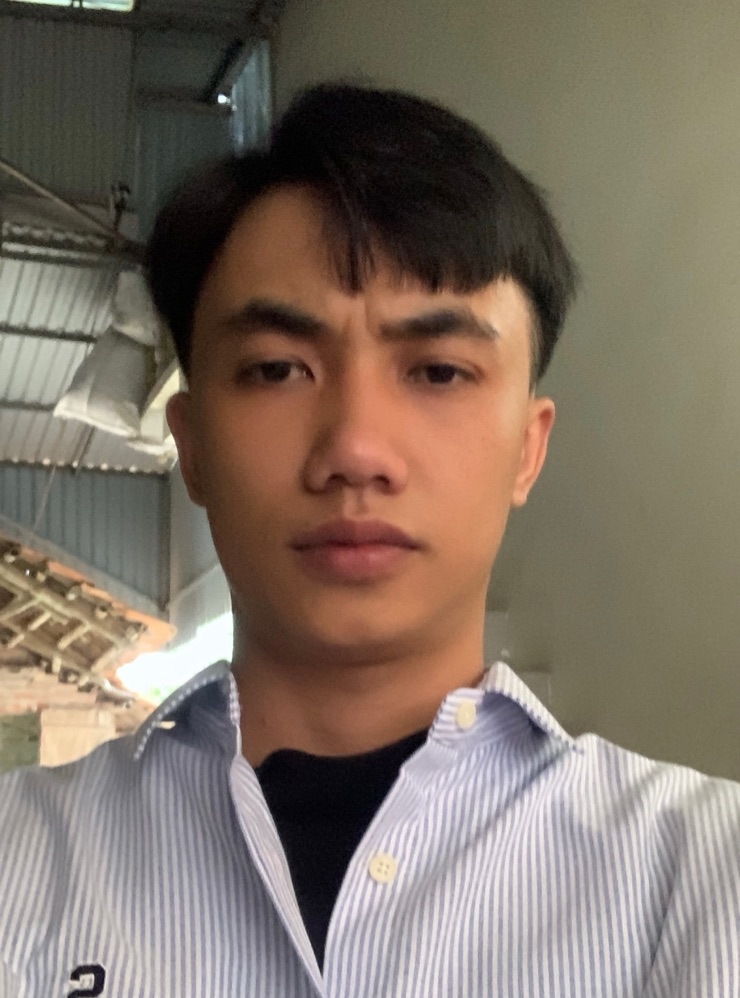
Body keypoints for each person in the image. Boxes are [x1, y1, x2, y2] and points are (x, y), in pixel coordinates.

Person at [0, 83, 738, 998]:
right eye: (278, 369)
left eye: (439, 371)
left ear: (528, 447)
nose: (354, 448)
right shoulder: (18, 868)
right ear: (191, 448)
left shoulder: (706, 879)